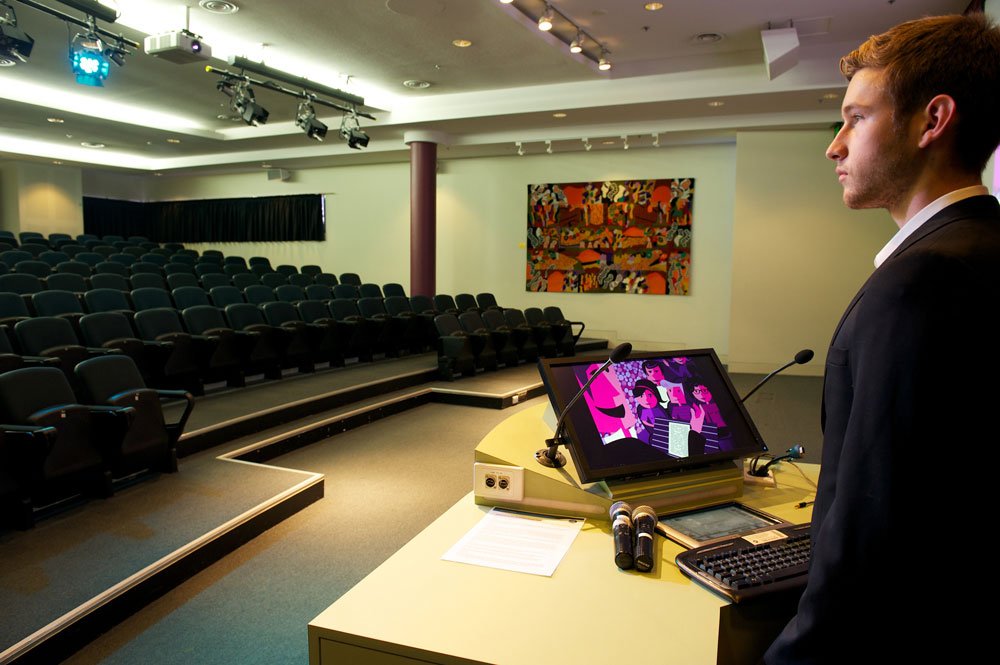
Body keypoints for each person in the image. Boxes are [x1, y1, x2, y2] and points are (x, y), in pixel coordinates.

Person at [765, 14, 1000, 664]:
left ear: (933, 121)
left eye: (856, 118)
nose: (833, 146)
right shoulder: (984, 245)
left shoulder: (922, 281)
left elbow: (874, 535)